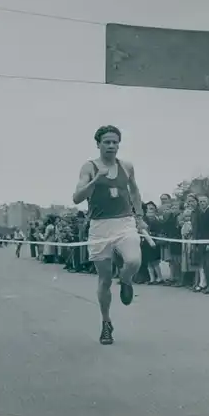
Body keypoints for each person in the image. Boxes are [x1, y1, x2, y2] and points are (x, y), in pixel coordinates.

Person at [72, 125, 146, 345]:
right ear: (98, 144)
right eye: (107, 142)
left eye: (115, 142)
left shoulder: (127, 166)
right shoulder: (89, 167)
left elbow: (134, 191)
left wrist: (139, 217)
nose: (112, 146)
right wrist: (96, 181)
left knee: (133, 261)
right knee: (104, 279)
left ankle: (125, 280)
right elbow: (77, 197)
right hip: (99, 226)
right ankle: (106, 323)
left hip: (124, 222)